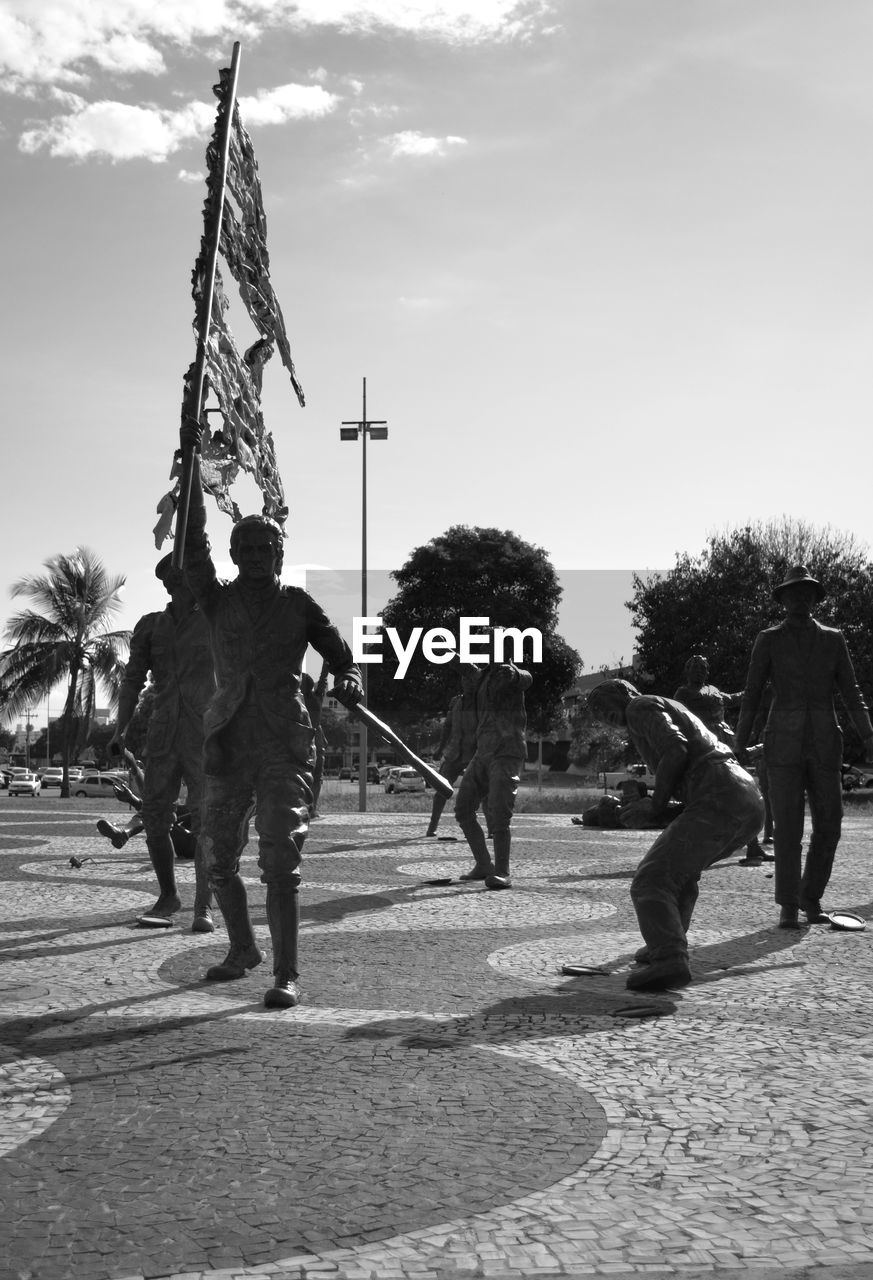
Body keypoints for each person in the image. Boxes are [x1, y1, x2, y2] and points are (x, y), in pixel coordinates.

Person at [177, 417, 363, 1008]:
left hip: (285, 742)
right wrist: (190, 477)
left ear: (280, 554)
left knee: (281, 854)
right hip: (228, 742)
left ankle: (286, 973)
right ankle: (242, 948)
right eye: (247, 549)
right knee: (216, 857)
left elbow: (341, 655)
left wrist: (349, 678)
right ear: (235, 555)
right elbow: (192, 547)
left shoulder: (300, 605)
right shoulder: (214, 600)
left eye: (266, 548)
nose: (257, 556)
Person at [587, 679, 764, 991]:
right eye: (597, 714)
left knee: (652, 879)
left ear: (625, 693)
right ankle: (668, 940)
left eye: (604, 706)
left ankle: (669, 956)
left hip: (720, 796)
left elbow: (675, 748)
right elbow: (689, 770)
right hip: (746, 800)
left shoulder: (639, 706)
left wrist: (654, 804)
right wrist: (661, 811)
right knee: (681, 874)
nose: (603, 716)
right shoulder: (662, 706)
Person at [734, 565, 873, 929]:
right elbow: (752, 694)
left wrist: (869, 736)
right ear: (783, 599)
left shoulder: (834, 639)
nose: (801, 598)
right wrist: (739, 740)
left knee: (831, 824)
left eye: (807, 592)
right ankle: (788, 905)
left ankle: (810, 896)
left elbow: (852, 691)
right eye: (794, 593)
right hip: (783, 740)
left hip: (826, 740)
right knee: (788, 827)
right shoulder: (769, 639)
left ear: (815, 598)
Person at [108, 554, 215, 931]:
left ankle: (204, 904)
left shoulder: (216, 618)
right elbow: (132, 680)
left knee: (207, 822)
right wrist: (121, 727)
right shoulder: (151, 626)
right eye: (170, 578)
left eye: (181, 576)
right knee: (154, 818)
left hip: (205, 733)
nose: (175, 583)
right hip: (164, 732)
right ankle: (169, 895)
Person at [673, 654, 770, 865]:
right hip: (704, 747)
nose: (699, 670)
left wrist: (755, 690)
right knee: (711, 797)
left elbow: (734, 699)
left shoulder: (714, 690)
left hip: (726, 742)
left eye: (702, 667)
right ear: (687, 671)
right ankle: (699, 848)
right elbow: (678, 720)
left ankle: (753, 847)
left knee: (744, 790)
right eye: (695, 667)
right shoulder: (683, 693)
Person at [454, 651, 532, 890]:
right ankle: (483, 864)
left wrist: (515, 671)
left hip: (506, 750)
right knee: (463, 807)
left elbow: (525, 678)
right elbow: (470, 671)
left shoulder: (509, 672)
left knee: (499, 811)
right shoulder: (483, 675)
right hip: (483, 750)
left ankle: (502, 871)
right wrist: (451, 656)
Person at [425, 663, 478, 837]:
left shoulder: (482, 703)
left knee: (483, 791)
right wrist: (440, 749)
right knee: (441, 790)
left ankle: (492, 829)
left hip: (475, 753)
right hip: (454, 752)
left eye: (470, 681)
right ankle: (432, 827)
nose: (467, 684)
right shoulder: (456, 702)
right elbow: (447, 727)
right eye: (464, 680)